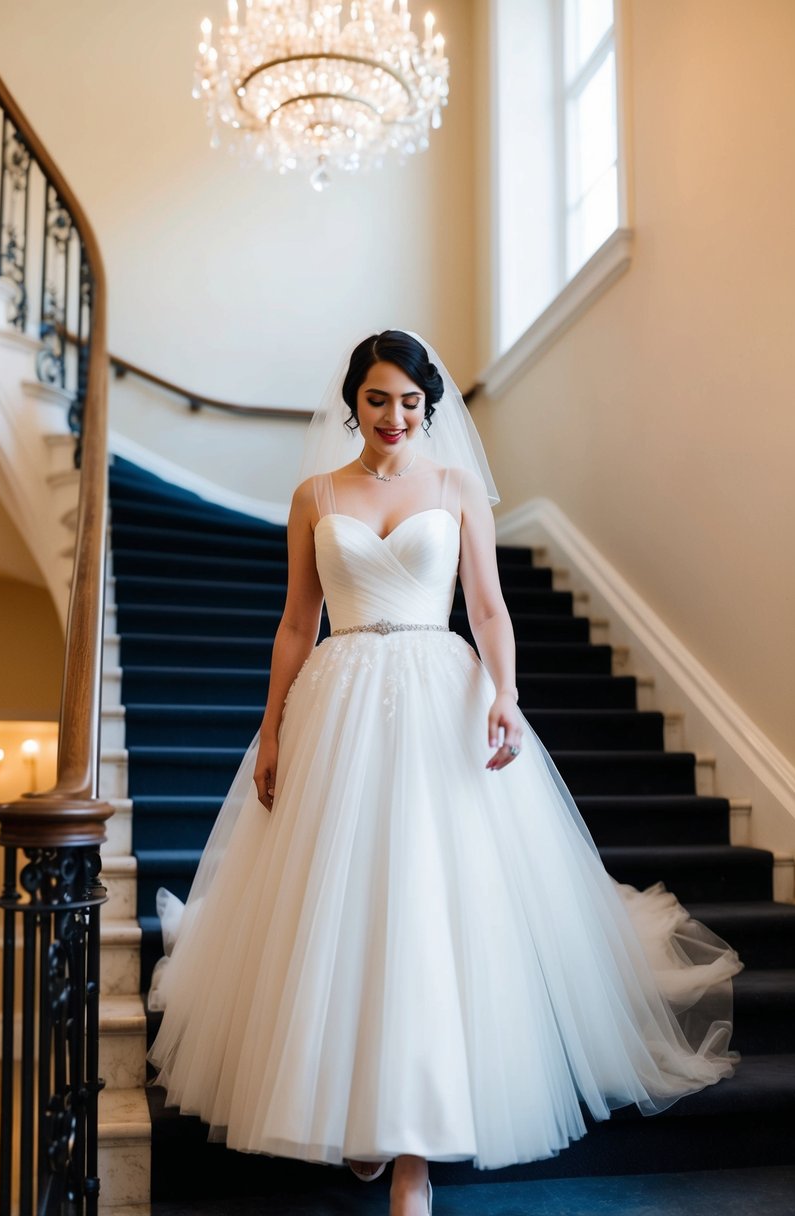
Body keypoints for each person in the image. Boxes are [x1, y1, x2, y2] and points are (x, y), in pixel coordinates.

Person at [147, 330, 743, 1216]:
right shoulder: (315, 495)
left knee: (427, 908)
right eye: (379, 399)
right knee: (342, 912)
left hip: (441, 697)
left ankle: (413, 1157)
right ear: (353, 400)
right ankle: (356, 1113)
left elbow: (490, 608)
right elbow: (292, 625)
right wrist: (269, 731)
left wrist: (505, 693)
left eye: (410, 404)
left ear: (429, 409)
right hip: (337, 700)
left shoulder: (458, 489)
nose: (394, 418)